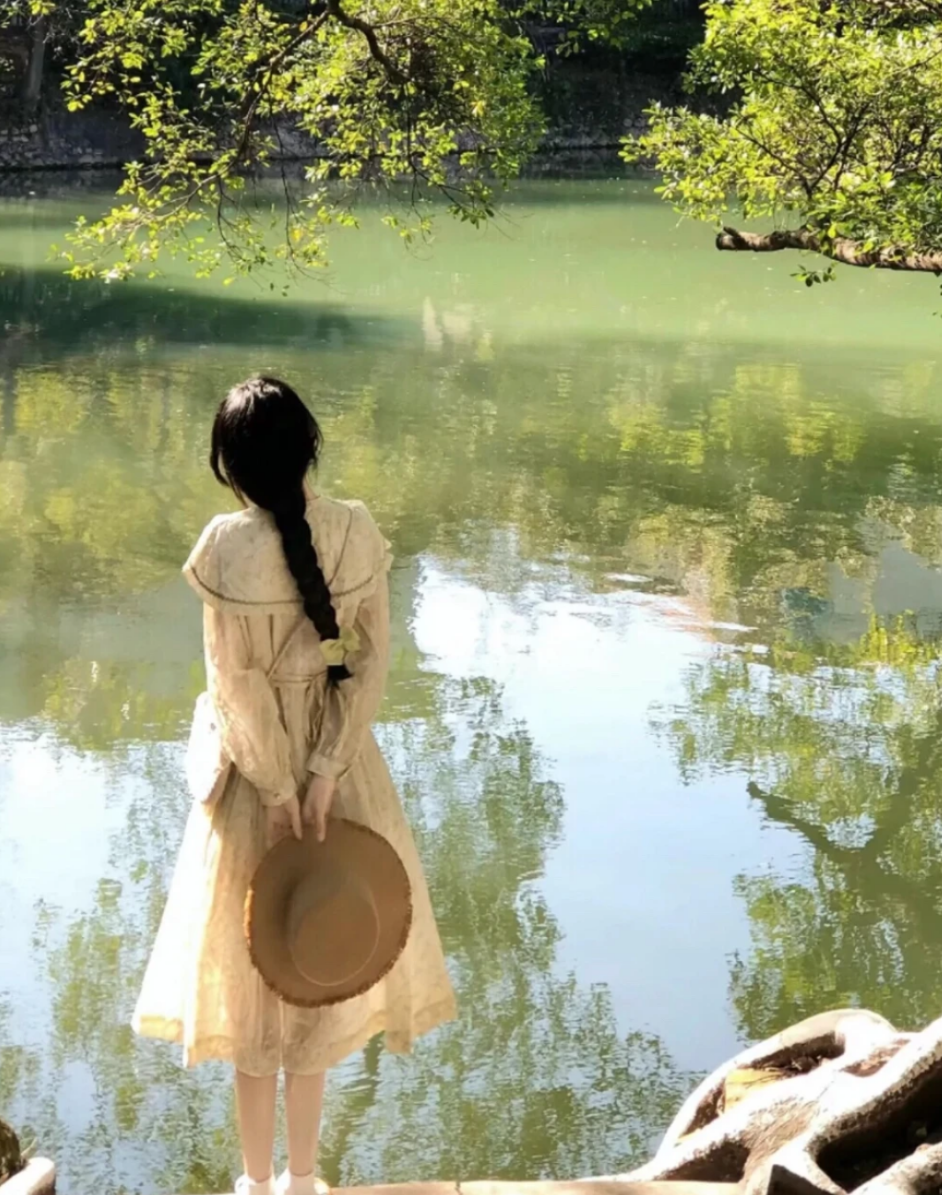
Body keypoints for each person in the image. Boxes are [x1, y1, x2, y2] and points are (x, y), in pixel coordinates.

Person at [132, 377, 457, 1195]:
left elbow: (234, 686)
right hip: (341, 776)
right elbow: (371, 663)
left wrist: (277, 790)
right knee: (314, 967)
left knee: (254, 995)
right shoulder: (356, 531)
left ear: (231, 468)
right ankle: (304, 1179)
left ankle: (254, 1182)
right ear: (309, 448)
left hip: (253, 780)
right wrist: (324, 771)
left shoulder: (225, 547)